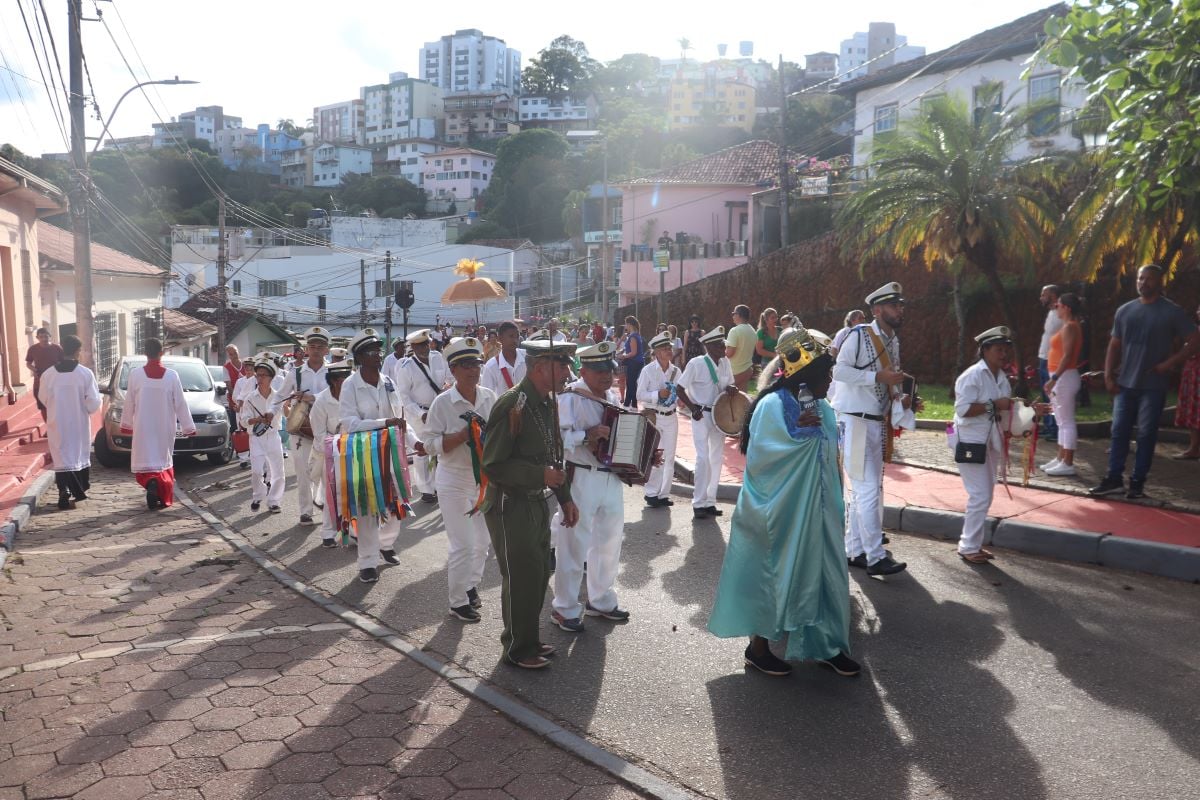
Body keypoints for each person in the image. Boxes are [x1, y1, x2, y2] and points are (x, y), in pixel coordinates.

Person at [708, 327, 860, 677]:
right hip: (780, 514)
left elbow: (830, 458)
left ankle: (828, 644)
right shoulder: (772, 406)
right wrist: (800, 436)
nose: (830, 379)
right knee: (773, 575)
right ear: (805, 373)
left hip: (820, 513)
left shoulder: (822, 406)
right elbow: (763, 459)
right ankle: (757, 648)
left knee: (827, 575)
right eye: (825, 373)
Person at [481, 339, 580, 669]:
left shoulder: (546, 403)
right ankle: (516, 649)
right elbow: (492, 465)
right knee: (520, 578)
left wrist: (565, 498)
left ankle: (530, 639)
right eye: (562, 365)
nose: (568, 372)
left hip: (539, 503)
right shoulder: (513, 404)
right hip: (511, 506)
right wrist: (540, 475)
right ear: (540, 368)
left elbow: (555, 456)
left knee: (538, 576)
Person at [1090, 264, 1200, 499]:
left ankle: (1138, 483)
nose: (1143, 283)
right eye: (1140, 278)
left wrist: (1169, 364)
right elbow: (1114, 345)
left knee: (1146, 434)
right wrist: (1108, 375)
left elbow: (1194, 339)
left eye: (1149, 279)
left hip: (1153, 386)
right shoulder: (1125, 310)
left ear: (1160, 282)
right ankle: (1113, 479)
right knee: (1118, 431)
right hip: (1124, 385)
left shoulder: (1171, 312)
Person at [550, 341, 632, 634]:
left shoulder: (612, 397)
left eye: (608, 370)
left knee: (609, 541)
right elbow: (557, 441)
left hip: (610, 477)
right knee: (574, 545)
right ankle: (565, 608)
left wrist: (641, 457)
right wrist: (587, 435)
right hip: (581, 475)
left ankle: (601, 600)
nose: (605, 376)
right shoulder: (570, 398)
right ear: (582, 370)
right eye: (598, 371)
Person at [832, 282, 911, 577]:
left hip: (875, 421)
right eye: (893, 305)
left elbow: (888, 381)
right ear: (877, 311)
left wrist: (899, 397)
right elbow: (838, 371)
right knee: (866, 490)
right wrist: (877, 375)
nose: (899, 310)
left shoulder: (894, 341)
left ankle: (853, 550)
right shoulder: (859, 335)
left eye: (901, 305)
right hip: (853, 421)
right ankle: (876, 557)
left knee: (866, 490)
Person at [425, 337, 497, 623]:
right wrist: (461, 436)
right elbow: (429, 443)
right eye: (465, 365)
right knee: (463, 543)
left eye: (476, 364)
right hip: (453, 479)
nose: (473, 370)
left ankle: (470, 586)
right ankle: (457, 601)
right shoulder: (443, 403)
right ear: (453, 370)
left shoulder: (490, 397)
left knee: (483, 542)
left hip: (484, 480)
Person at [339, 331, 407, 583]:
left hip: (391, 451)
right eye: (371, 352)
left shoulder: (388, 381)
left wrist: (416, 442)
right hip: (364, 454)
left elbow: (400, 419)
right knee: (368, 507)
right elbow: (350, 423)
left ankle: (386, 545)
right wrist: (383, 422)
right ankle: (367, 561)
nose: (378, 355)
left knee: (395, 502)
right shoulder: (349, 385)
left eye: (379, 350)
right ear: (359, 357)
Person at [953, 327, 1016, 563]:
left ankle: (973, 545)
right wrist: (993, 405)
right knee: (979, 495)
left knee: (985, 494)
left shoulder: (1001, 376)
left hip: (991, 440)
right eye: (999, 349)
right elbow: (963, 410)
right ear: (985, 350)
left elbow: (1006, 406)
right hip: (971, 440)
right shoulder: (973, 375)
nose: (1004, 354)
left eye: (1006, 349)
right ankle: (968, 546)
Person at [119, 338, 196, 510]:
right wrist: (188, 427)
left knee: (146, 459)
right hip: (164, 426)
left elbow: (129, 402)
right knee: (162, 460)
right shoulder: (171, 376)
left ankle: (151, 481)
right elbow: (180, 404)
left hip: (143, 425)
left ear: (145, 353)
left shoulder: (135, 375)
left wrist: (126, 424)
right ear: (162, 353)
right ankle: (160, 488)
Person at [676, 326, 737, 519]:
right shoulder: (696, 364)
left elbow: (729, 384)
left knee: (716, 459)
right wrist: (692, 408)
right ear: (708, 346)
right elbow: (679, 389)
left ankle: (710, 500)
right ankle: (698, 502)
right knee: (702, 459)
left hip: (719, 417)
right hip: (701, 415)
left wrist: (732, 388)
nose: (723, 348)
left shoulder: (725, 362)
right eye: (719, 345)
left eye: (724, 344)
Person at [36, 335, 101, 510]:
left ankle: (63, 490)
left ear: (62, 348)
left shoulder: (48, 374)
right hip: (78, 423)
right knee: (77, 457)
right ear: (78, 351)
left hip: (57, 421)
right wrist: (84, 408)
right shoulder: (85, 373)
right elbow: (93, 402)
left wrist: (57, 407)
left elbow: (43, 398)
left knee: (62, 458)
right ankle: (78, 491)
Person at [395, 329, 451, 503]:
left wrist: (448, 388)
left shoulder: (439, 358)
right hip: (419, 413)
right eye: (419, 346)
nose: (424, 348)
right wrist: (421, 414)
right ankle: (426, 489)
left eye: (426, 344)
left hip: (440, 409)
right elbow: (404, 396)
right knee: (421, 451)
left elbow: (450, 378)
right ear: (412, 347)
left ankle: (437, 484)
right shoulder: (406, 367)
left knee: (440, 448)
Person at [285, 327, 329, 525]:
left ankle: (325, 505)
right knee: (302, 471)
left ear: (327, 350)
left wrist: (314, 397)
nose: (316, 350)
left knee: (325, 471)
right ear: (306, 349)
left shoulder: (334, 371)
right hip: (301, 429)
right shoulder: (295, 373)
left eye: (320, 347)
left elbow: (341, 394)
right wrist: (271, 410)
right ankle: (306, 511)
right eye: (312, 346)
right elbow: (279, 395)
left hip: (326, 429)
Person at [307, 361, 351, 547]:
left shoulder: (352, 397)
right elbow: (319, 435)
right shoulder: (322, 402)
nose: (347, 384)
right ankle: (327, 533)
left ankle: (351, 531)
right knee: (331, 493)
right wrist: (337, 445)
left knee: (351, 492)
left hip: (353, 450)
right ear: (333, 381)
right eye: (343, 380)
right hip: (329, 453)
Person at [637, 332, 681, 508]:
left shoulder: (676, 371)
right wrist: (657, 395)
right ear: (655, 352)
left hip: (671, 416)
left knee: (669, 457)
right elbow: (640, 395)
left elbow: (680, 391)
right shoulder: (647, 370)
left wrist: (677, 399)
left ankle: (663, 494)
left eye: (669, 347)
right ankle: (651, 493)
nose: (669, 350)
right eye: (664, 348)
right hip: (654, 416)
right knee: (656, 455)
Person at [1041, 294, 1084, 476]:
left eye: (1058, 305)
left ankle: (1068, 462)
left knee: (1066, 421)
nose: (1056, 307)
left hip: (1064, 377)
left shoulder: (1070, 327)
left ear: (1066, 307)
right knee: (1061, 421)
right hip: (1060, 376)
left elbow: (1067, 356)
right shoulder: (1068, 326)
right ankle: (1061, 458)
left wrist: (1054, 378)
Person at [240, 357, 287, 514]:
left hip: (273, 436)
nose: (259, 378)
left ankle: (274, 501)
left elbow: (287, 414)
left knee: (278, 471)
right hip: (256, 438)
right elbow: (244, 421)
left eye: (263, 375)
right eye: (257, 375)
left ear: (271, 378)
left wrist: (289, 404)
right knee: (257, 471)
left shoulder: (278, 397)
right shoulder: (250, 398)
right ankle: (258, 495)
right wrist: (258, 419)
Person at [1172, 303, 1200, 460]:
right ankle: (1194, 447)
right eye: (1199, 309)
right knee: (1193, 410)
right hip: (1192, 374)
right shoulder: (1193, 331)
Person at [1037, 285, 1064, 441]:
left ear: (1053, 295)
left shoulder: (1061, 313)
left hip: (1053, 361)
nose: (1041, 298)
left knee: (1053, 396)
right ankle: (1048, 427)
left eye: (1043, 294)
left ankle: (1055, 430)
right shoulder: (1051, 313)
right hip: (1043, 358)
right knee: (1046, 396)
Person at [25, 328, 63, 420]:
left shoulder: (57, 348)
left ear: (50, 337)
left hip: (55, 382)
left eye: (46, 336)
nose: (44, 339)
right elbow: (28, 363)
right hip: (39, 382)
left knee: (56, 405)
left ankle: (57, 424)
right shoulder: (32, 349)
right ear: (37, 337)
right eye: (41, 337)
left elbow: (63, 363)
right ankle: (48, 426)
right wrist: (35, 370)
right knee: (42, 405)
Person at [481, 320, 527, 397]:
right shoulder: (491, 367)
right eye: (511, 336)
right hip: (504, 409)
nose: (515, 340)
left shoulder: (527, 357)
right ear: (500, 339)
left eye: (517, 336)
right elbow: (487, 397)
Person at [725, 305, 758, 391]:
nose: (732, 316)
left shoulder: (735, 330)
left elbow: (729, 353)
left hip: (734, 372)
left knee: (725, 400)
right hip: (747, 370)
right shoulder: (753, 331)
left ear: (738, 315)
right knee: (742, 400)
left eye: (733, 313)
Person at [615, 316, 645, 408]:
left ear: (629, 324)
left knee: (630, 384)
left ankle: (628, 403)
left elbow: (633, 353)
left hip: (634, 362)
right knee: (631, 383)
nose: (625, 326)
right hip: (636, 362)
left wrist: (623, 356)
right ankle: (633, 403)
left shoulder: (633, 336)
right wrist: (623, 352)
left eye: (626, 324)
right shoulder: (635, 335)